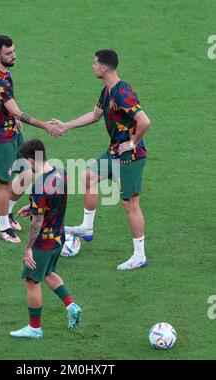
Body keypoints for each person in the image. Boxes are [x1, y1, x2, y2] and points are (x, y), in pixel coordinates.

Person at [52, 50, 150, 270]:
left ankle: (139, 255)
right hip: (113, 151)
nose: (93, 66)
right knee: (88, 177)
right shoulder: (107, 91)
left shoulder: (122, 94)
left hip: (129, 157)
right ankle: (87, 228)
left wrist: (133, 143)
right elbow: (95, 115)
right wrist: (66, 125)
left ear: (104, 68)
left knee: (130, 205)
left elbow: (144, 121)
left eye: (95, 63)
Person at [0, 35, 61, 244]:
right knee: (4, 183)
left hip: (12, 132)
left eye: (14, 51)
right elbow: (16, 111)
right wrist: (44, 124)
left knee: (27, 172)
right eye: (9, 53)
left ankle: (6, 212)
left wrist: (13, 118)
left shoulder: (5, 72)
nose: (14, 56)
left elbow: (9, 104)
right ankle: (3, 228)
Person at [9, 139, 81, 339]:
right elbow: (53, 204)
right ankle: (71, 305)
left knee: (31, 280)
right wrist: (31, 206)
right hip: (59, 237)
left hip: (43, 241)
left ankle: (35, 328)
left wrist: (28, 248)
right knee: (48, 271)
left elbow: (37, 222)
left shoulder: (39, 185)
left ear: (32, 160)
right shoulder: (60, 172)